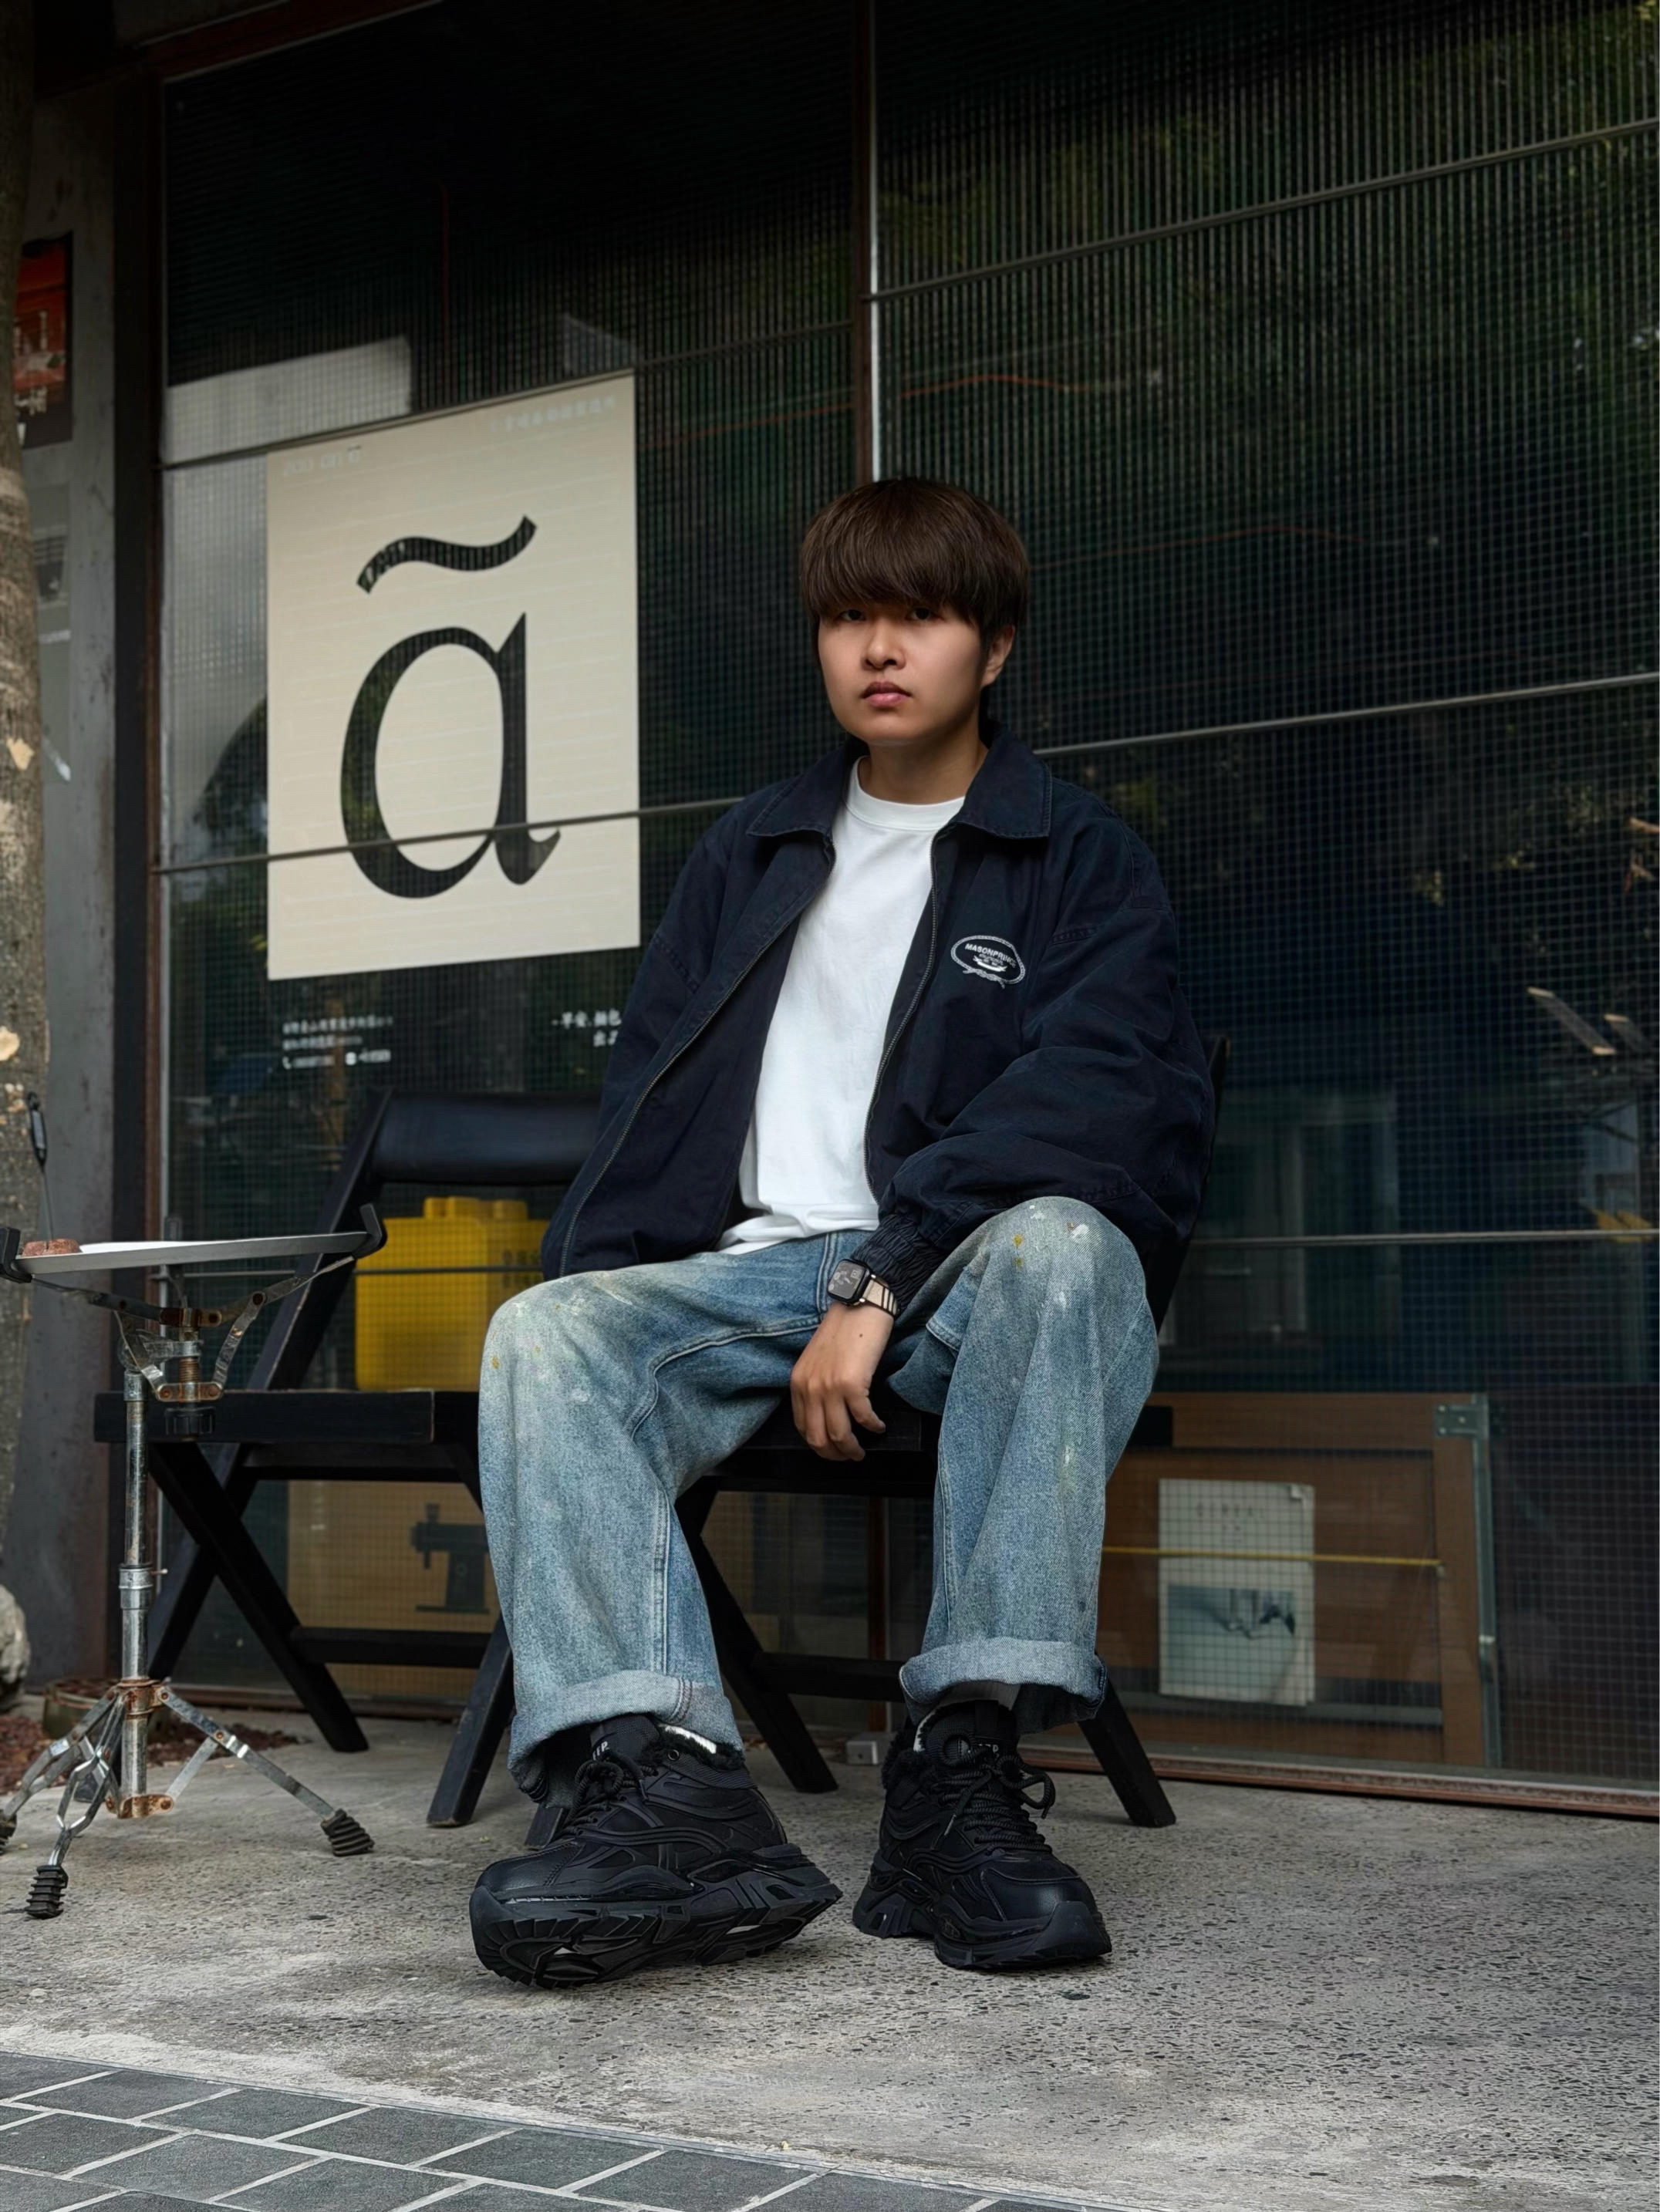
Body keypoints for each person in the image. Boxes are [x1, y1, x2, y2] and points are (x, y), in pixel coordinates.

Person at [469, 477, 1213, 1987]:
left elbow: (1093, 1109)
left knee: (1069, 1246)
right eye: (849, 617)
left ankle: (957, 1777)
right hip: (751, 1285)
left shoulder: (1074, 859)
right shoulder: (751, 853)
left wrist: (879, 1278)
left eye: (921, 615)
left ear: (993, 648)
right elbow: (653, 1092)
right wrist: (617, 1271)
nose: (880, 648)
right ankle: (664, 1799)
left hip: (957, 1281)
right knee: (544, 1334)